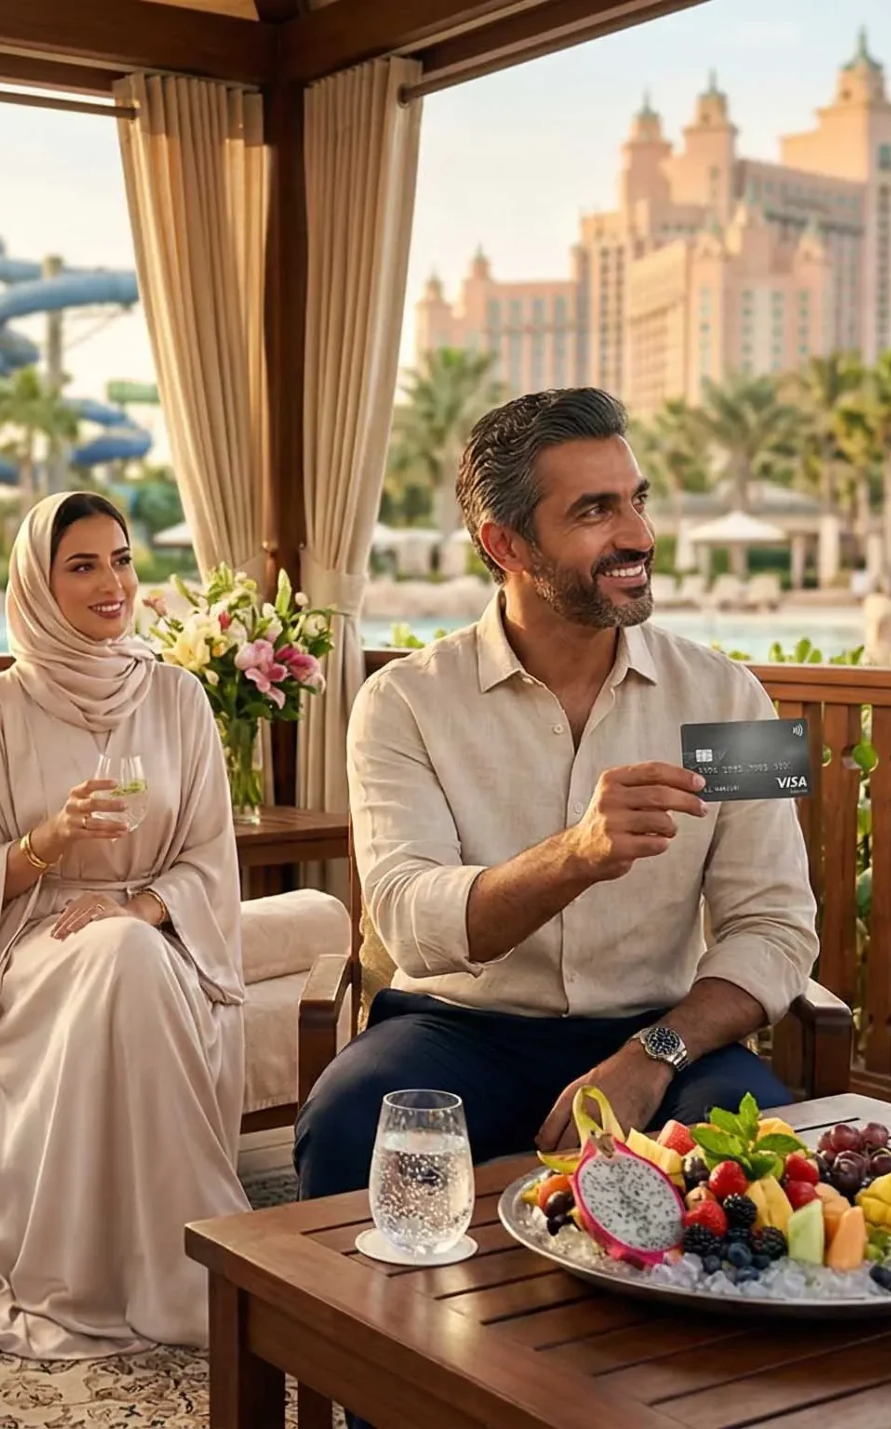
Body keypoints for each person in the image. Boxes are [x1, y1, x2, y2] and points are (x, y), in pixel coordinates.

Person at [297, 387, 820, 1205]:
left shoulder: (730, 695)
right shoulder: (401, 702)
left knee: (756, 1159)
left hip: (661, 1031)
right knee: (350, 1117)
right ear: (504, 543)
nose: (639, 535)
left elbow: (777, 924)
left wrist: (652, 1054)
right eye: (595, 511)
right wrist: (574, 857)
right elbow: (406, 917)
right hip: (456, 1030)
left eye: (637, 501)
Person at [0, 491, 248, 1355]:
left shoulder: (180, 696)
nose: (113, 582)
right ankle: (176, 1265)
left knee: (130, 956)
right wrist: (48, 840)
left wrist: (138, 907)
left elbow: (212, 856)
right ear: (38, 581)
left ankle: (175, 1260)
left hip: (158, 928)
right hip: (34, 941)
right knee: (116, 958)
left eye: (123, 558)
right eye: (82, 565)